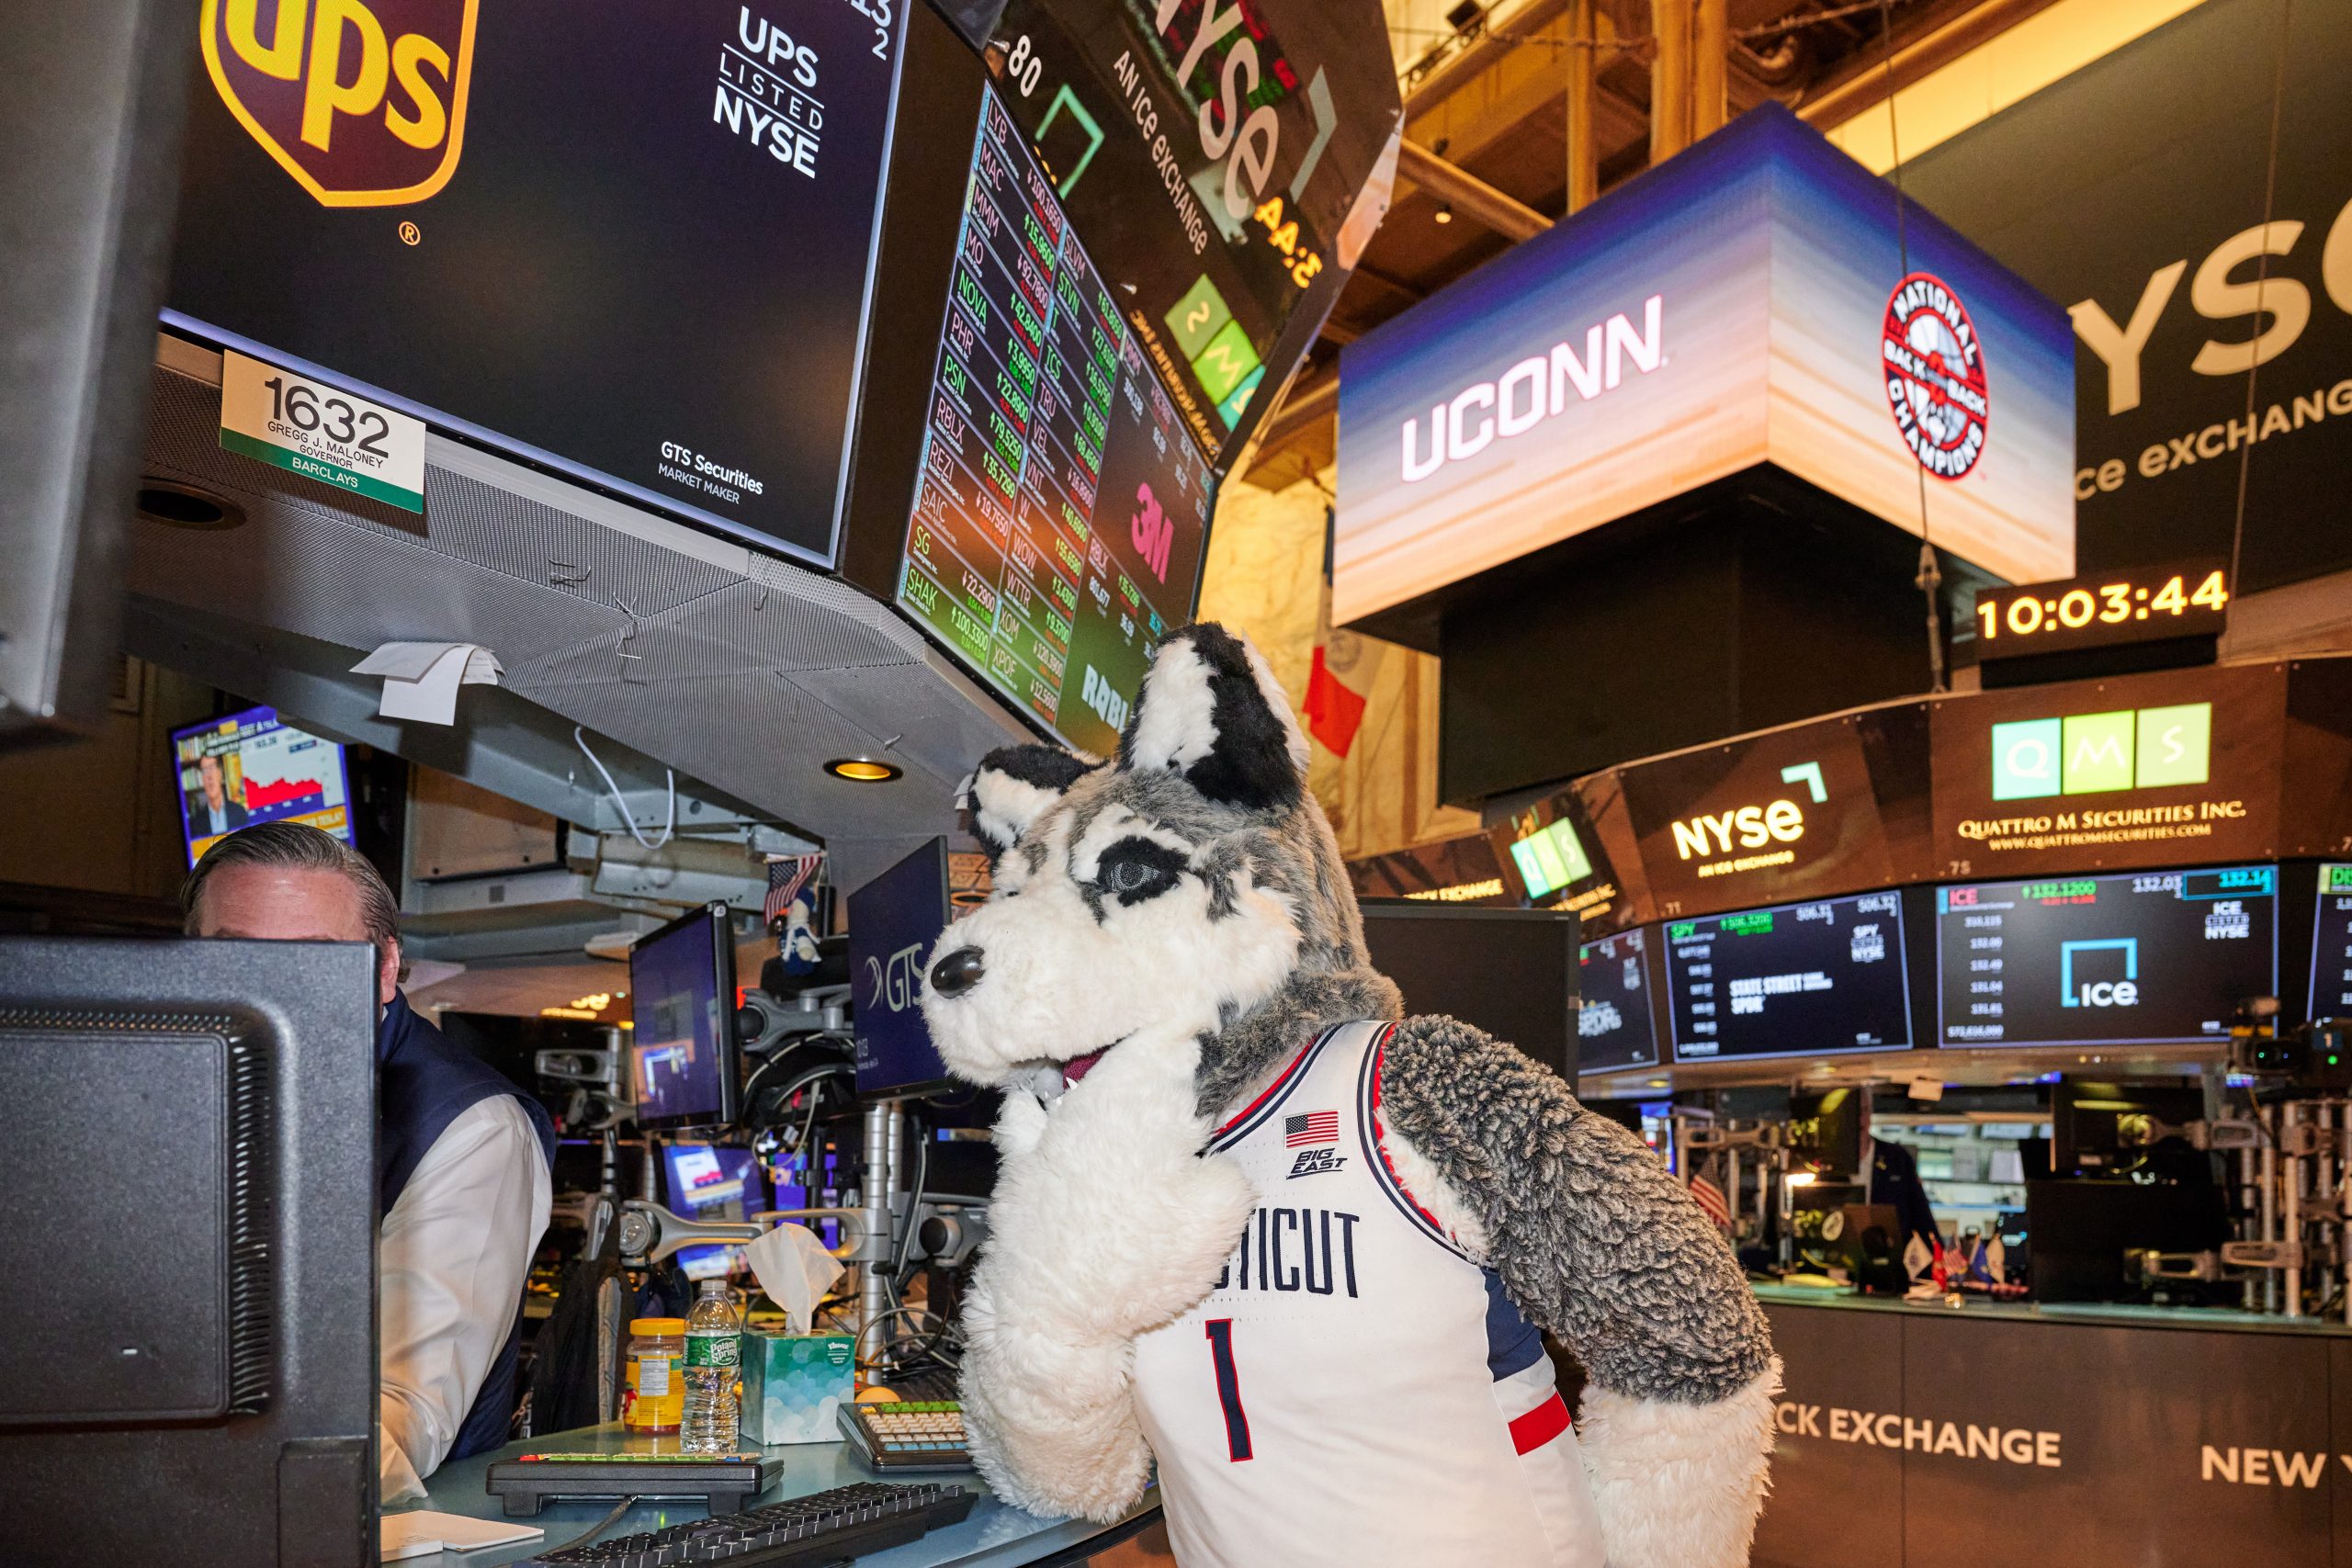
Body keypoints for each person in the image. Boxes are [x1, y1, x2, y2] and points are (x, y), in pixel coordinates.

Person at [182, 821, 556, 1499]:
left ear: (385, 968)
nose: (271, 992)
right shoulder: (186, 1089)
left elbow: (399, 1414)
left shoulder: (471, 1127)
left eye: (313, 960)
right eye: (235, 957)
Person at [194, 751, 248, 836]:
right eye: (204, 770)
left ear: (220, 773)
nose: (209, 776)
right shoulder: (196, 822)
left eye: (212, 768)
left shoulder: (239, 811)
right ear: (202, 780)